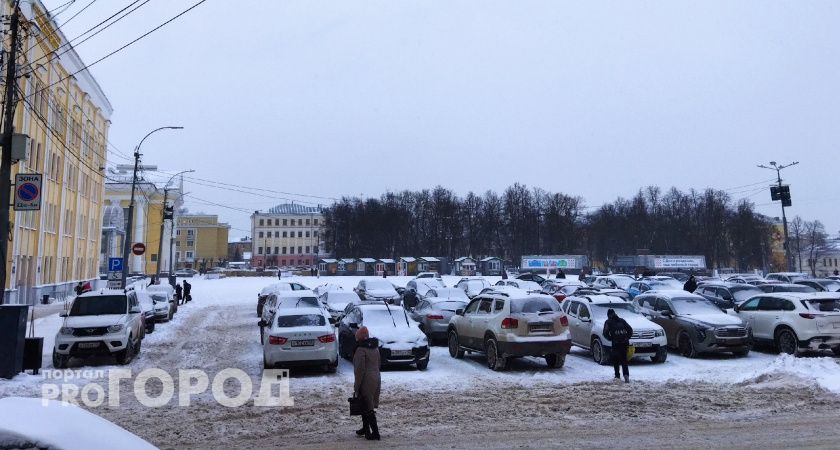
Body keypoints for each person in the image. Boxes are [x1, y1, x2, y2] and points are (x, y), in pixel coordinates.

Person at [353, 326, 381, 440]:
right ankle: (365, 428)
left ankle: (375, 433)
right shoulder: (375, 347)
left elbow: (360, 370)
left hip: (366, 380)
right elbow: (379, 364)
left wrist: (356, 386)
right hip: (376, 378)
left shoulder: (360, 350)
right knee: (366, 403)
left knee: (367, 405)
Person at [603, 308, 633, 383]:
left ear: (608, 315)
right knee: (624, 360)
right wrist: (627, 337)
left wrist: (611, 338)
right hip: (625, 343)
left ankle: (617, 376)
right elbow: (630, 330)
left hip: (616, 343)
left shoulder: (608, 322)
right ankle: (626, 377)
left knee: (616, 360)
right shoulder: (622, 320)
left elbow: (605, 333)